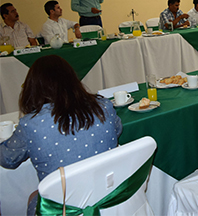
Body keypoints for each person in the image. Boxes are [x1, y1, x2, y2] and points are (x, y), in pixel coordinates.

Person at [0, 55, 122, 215]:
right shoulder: (103, 107)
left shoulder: (31, 125)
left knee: (32, 197)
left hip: (63, 208)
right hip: (108, 197)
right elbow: (117, 130)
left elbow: (7, 160)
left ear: (33, 87)